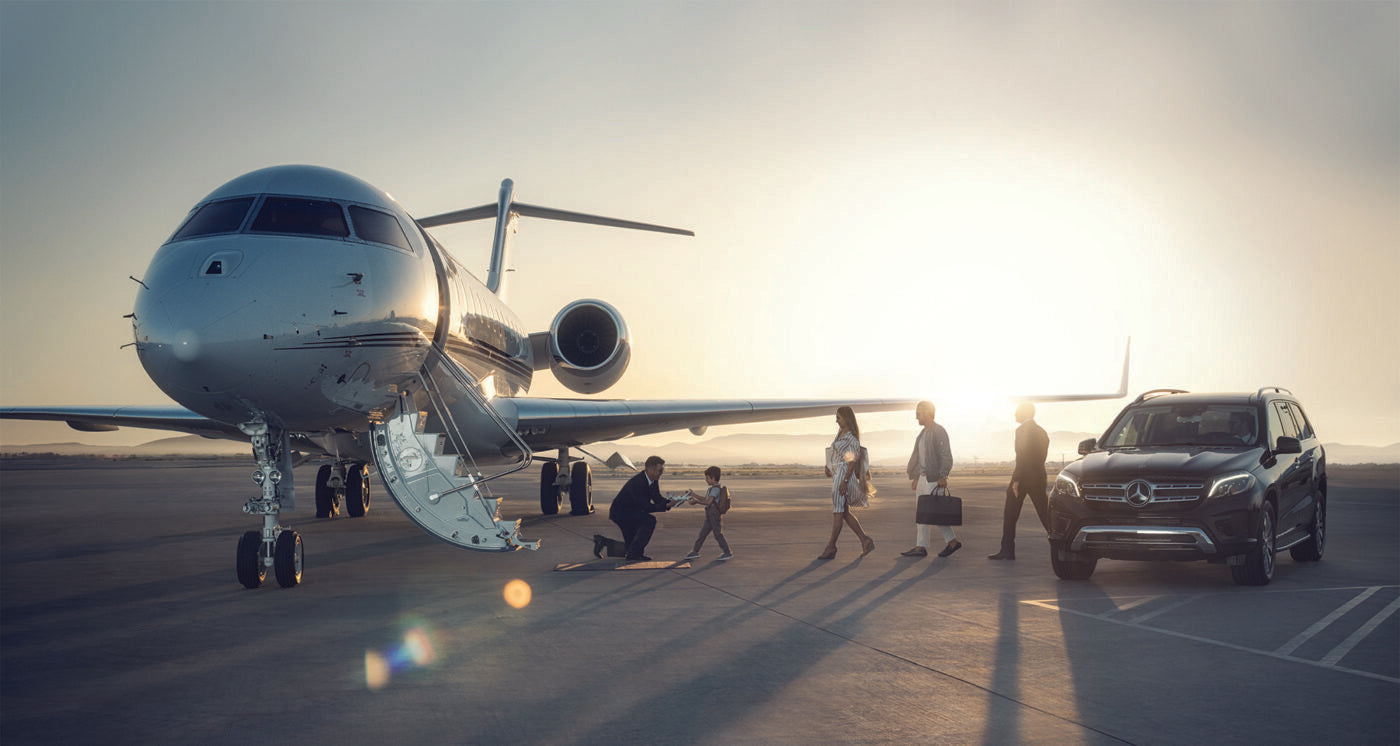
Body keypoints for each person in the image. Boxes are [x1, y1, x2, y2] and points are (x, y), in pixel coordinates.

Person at [989, 401, 1050, 560]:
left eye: (1017, 411)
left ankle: (1007, 550)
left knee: (1010, 514)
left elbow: (1022, 456)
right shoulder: (1042, 431)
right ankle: (1062, 544)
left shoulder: (1022, 430)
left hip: (1023, 479)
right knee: (1045, 514)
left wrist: (1016, 480)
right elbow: (1039, 457)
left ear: (1025, 413)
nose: (1014, 414)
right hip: (1039, 478)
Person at [902, 400, 961, 558]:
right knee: (922, 513)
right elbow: (919, 457)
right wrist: (915, 477)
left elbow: (946, 455)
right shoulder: (922, 434)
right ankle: (921, 546)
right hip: (923, 478)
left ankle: (952, 542)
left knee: (936, 512)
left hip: (934, 478)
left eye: (918, 413)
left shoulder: (938, 431)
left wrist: (943, 475)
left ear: (928, 413)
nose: (916, 417)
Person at [818, 406, 875, 560]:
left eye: (839, 417)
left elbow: (851, 462)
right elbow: (837, 456)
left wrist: (844, 481)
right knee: (843, 512)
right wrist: (829, 467)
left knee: (838, 512)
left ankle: (831, 547)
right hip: (837, 475)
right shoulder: (839, 434)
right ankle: (865, 540)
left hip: (843, 477)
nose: (836, 420)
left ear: (847, 418)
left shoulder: (851, 438)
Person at [606, 455, 675, 562]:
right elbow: (646, 506)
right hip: (621, 513)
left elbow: (657, 498)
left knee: (631, 542)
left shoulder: (653, 480)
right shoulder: (638, 482)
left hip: (631, 511)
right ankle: (634, 554)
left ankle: (605, 544)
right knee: (649, 521)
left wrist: (671, 502)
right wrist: (665, 506)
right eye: (659, 470)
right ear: (650, 469)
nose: (661, 473)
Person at [683, 466, 733, 561]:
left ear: (713, 478)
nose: (706, 480)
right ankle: (695, 551)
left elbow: (708, 502)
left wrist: (696, 502)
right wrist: (693, 494)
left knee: (717, 534)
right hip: (710, 515)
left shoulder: (715, 489)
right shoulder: (712, 489)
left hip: (714, 515)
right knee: (703, 534)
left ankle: (727, 552)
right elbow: (705, 499)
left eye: (707, 478)